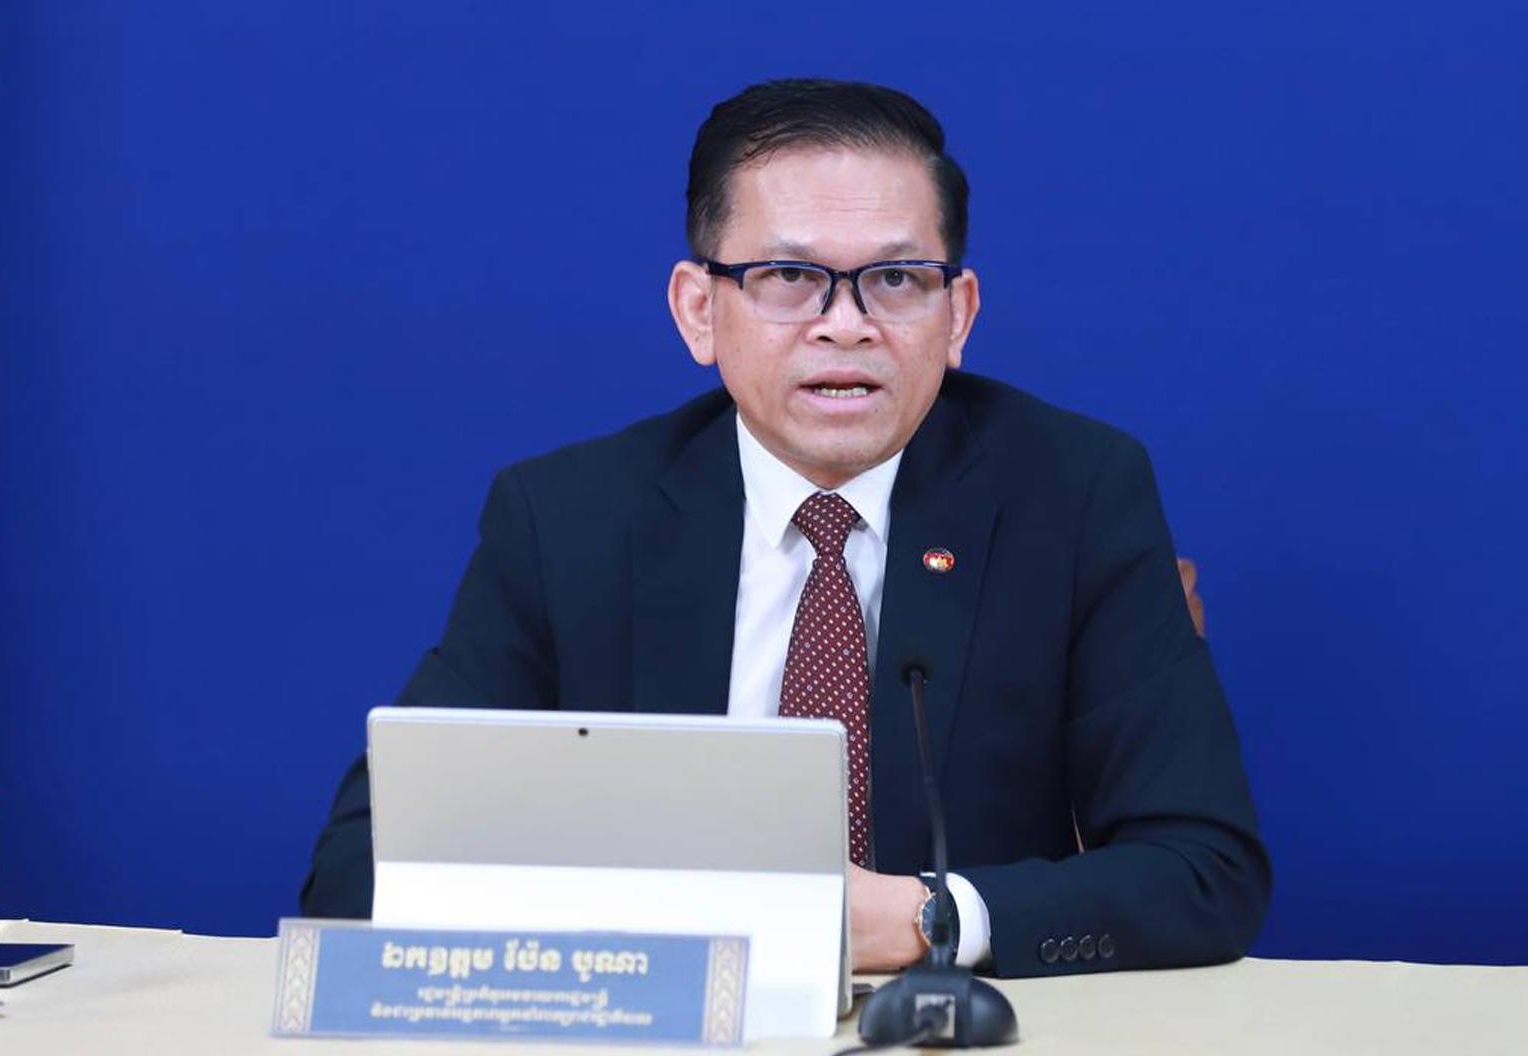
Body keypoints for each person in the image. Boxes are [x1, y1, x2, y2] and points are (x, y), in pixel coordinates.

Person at [302, 78, 1269, 977]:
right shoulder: (568, 520)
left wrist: (927, 918)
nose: (845, 324)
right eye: (789, 275)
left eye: (897, 279)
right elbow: (365, 868)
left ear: (958, 315)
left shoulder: (1075, 496)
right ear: (699, 311)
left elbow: (1205, 870)